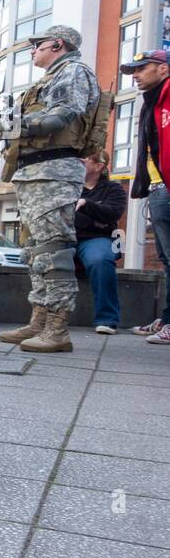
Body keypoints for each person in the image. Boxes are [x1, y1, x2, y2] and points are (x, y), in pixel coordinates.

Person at [0, 25, 100, 353]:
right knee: (36, 251)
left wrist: (12, 126)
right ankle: (39, 320)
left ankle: (57, 328)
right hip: (36, 172)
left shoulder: (73, 72)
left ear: (56, 44)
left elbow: (60, 118)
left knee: (53, 249)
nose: (32, 51)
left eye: (37, 45)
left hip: (54, 171)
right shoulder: (53, 76)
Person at [125, 49, 170, 344]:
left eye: (142, 68)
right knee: (167, 259)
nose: (136, 75)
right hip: (159, 187)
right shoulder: (151, 101)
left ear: (163, 69)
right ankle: (167, 319)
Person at [75, 150, 127, 334]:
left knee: (100, 260)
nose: (79, 161)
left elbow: (112, 212)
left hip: (96, 238)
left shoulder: (114, 189)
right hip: (67, 238)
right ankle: (43, 316)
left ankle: (107, 319)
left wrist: (86, 205)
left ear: (99, 166)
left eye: (85, 159)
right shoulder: (69, 186)